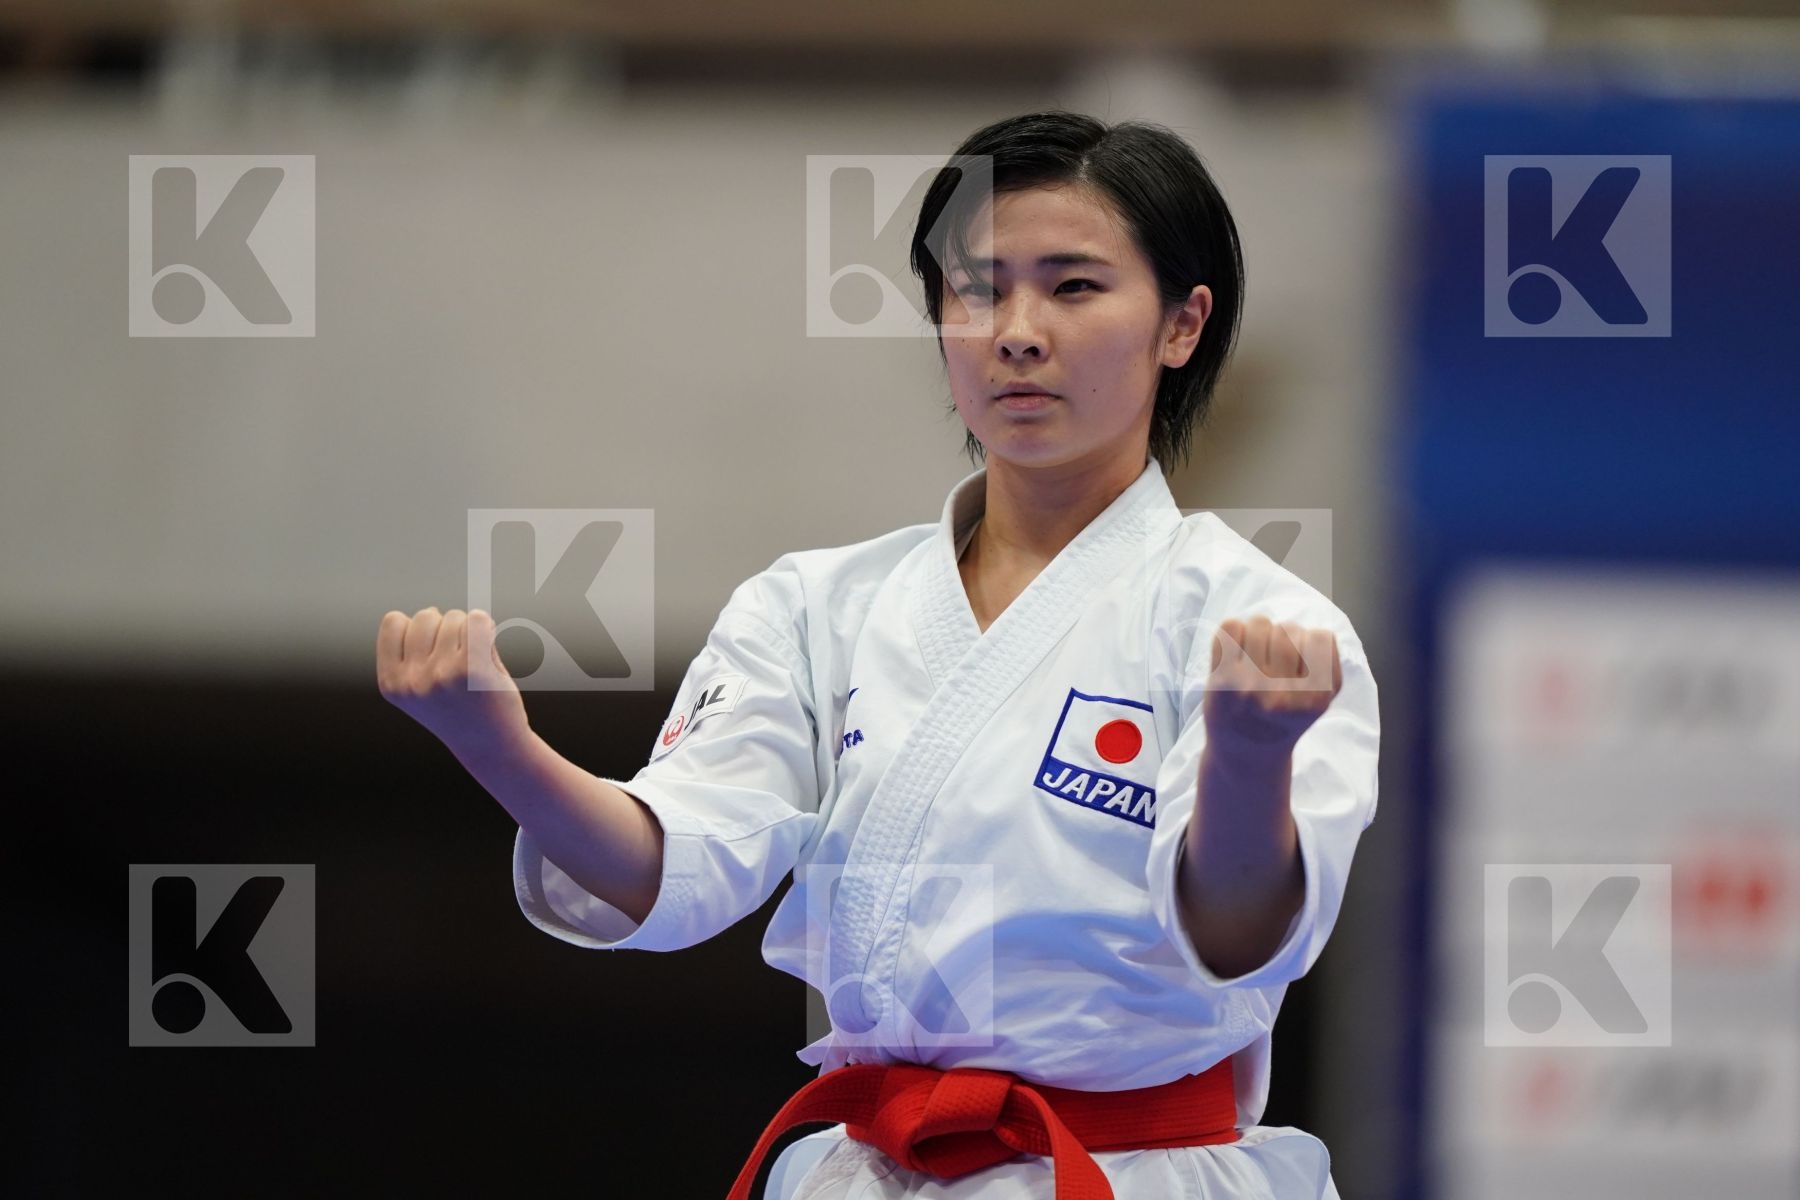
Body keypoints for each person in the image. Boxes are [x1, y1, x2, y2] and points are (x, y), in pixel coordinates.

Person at [376, 109, 1379, 1199]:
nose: (1017, 330)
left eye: (1075, 286)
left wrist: (1247, 758)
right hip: (870, 1171)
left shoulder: (1260, 627)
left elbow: (1241, 940)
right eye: (979, 287)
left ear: (1182, 324)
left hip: (1138, 1172)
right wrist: (499, 751)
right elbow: (675, 872)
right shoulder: (819, 605)